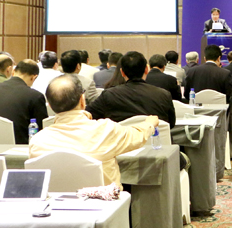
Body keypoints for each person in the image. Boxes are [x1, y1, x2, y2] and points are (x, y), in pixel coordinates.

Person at [29, 74, 158, 188]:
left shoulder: (37, 141)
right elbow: (137, 136)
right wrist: (149, 124)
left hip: (55, 207)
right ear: (82, 100)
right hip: (104, 205)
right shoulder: (105, 130)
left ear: (50, 105)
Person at [88, 51, 176, 127]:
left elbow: (88, 116)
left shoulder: (109, 95)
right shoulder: (164, 95)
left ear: (122, 72)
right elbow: (170, 124)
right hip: (155, 140)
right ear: (146, 69)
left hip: (122, 141)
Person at [0, 60, 48, 144]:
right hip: (20, 147)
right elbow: (41, 131)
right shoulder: (35, 96)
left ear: (13, 72)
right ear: (33, 77)